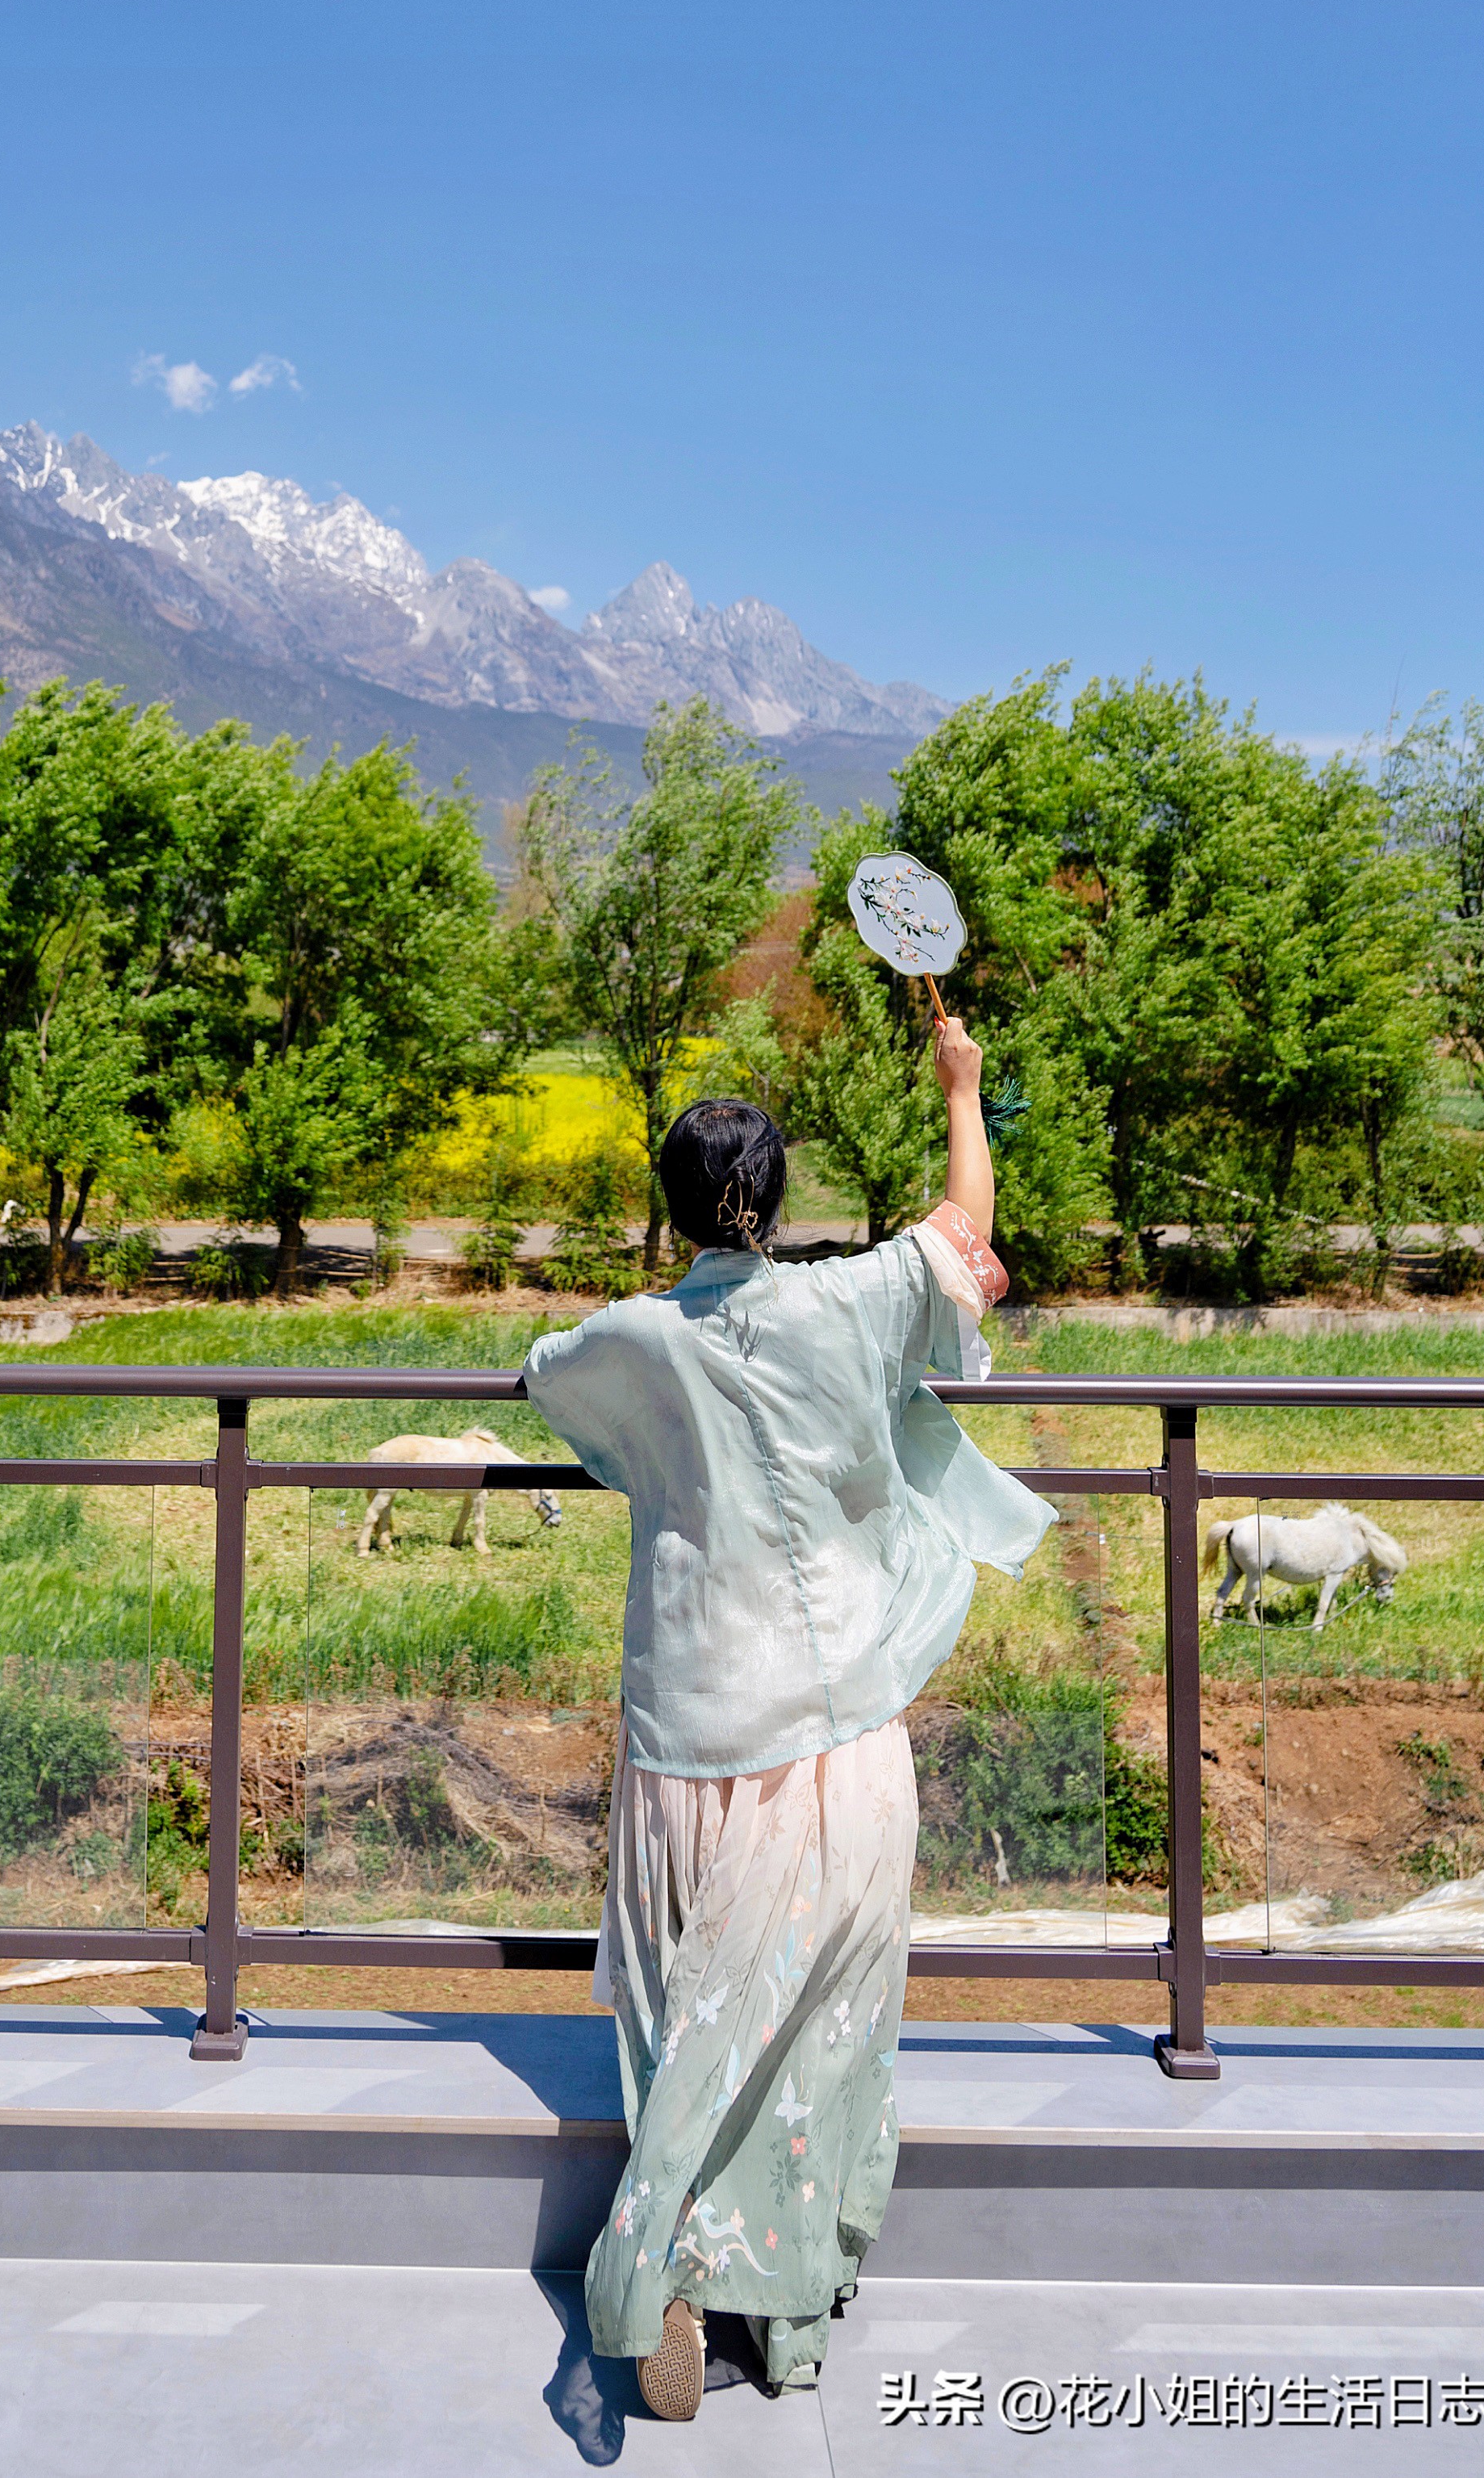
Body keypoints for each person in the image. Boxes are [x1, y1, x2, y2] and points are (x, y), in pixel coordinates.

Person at [522, 1016, 1053, 2417]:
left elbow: (545, 1374)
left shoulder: (635, 1336)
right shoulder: (851, 1300)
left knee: (682, 2008)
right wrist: (960, 1087)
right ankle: (786, 2304)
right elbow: (962, 1233)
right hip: (838, 1729)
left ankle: (667, 2261)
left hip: (690, 1730)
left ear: (673, 1207)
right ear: (779, 1191)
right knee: (823, 2014)